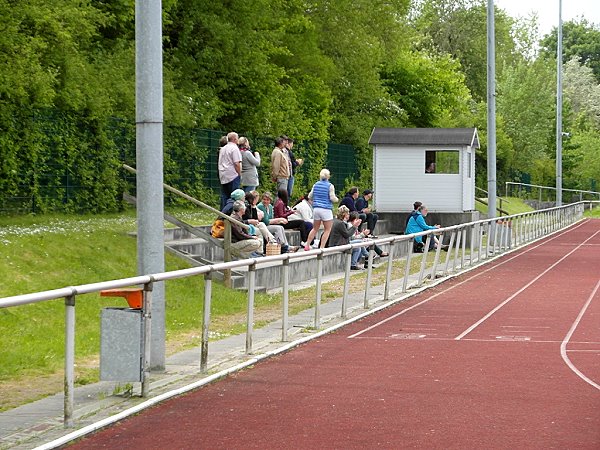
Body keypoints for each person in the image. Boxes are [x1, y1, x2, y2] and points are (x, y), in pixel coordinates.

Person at [304, 169, 338, 251]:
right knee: (327, 229)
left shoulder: (315, 185)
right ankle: (322, 247)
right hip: (326, 209)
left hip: (316, 209)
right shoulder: (330, 186)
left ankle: (307, 244)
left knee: (315, 228)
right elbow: (332, 198)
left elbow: (310, 196)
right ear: (328, 176)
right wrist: (337, 199)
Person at [218, 132, 242, 210]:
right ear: (235, 139)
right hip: (232, 175)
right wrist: (239, 174)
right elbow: (236, 163)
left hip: (223, 175)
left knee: (224, 197)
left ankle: (222, 216)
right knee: (235, 197)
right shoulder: (234, 148)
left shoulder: (223, 148)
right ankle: (232, 215)